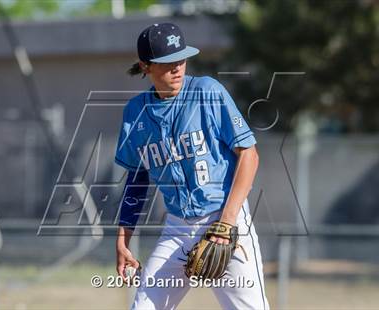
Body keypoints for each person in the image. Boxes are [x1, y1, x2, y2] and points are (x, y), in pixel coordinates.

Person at [114, 22, 269, 310]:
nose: (177, 67)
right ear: (145, 66)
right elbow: (137, 179)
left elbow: (249, 155)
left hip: (225, 219)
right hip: (177, 228)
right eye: (167, 61)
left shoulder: (207, 91)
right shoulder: (135, 112)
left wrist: (226, 223)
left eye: (181, 58)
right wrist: (123, 239)